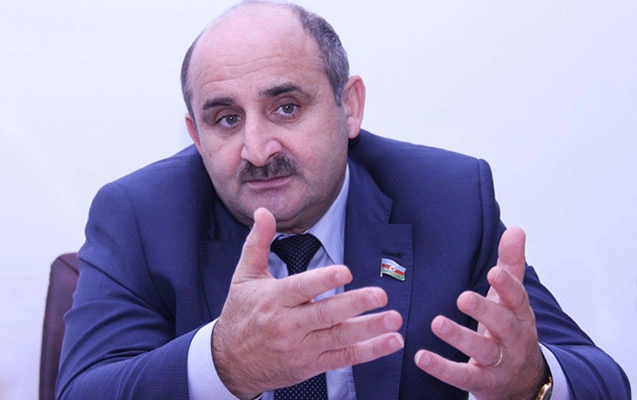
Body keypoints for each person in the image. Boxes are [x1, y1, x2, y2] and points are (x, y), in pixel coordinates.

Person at [57, 1, 631, 399]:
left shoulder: (449, 199)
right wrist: (224, 362)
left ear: (349, 107)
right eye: (226, 119)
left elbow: (604, 380)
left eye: (286, 107)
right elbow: (84, 391)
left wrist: (532, 380)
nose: (257, 148)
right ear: (195, 135)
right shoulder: (140, 216)